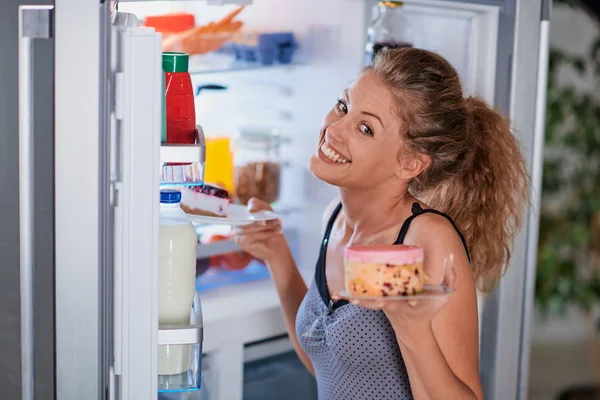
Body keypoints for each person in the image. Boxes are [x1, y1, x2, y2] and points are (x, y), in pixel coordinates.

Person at [233, 47, 529, 400]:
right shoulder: (336, 219)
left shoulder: (427, 240)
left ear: (410, 164)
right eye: (343, 106)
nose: (334, 129)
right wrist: (276, 255)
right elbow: (330, 367)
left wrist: (412, 331)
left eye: (365, 128)